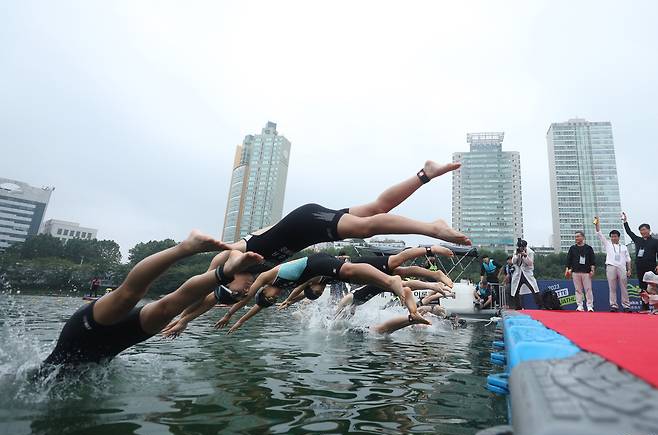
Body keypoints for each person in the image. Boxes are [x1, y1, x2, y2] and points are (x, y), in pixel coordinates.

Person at [198, 161, 470, 306]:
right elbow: (212, 298)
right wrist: (186, 319)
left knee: (365, 228)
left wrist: (203, 284)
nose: (242, 293)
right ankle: (425, 174)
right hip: (311, 226)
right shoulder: (259, 271)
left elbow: (209, 276)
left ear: (226, 278)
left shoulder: (237, 255)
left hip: (306, 221)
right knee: (378, 208)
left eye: (234, 292)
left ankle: (433, 228)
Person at [41, 231, 263, 367]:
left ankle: (210, 265)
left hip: (115, 345)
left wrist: (185, 319)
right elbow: (203, 299)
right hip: (83, 334)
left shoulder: (235, 292)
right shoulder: (40, 381)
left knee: (166, 308)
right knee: (129, 296)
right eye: (248, 280)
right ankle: (188, 251)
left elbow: (197, 300)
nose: (249, 284)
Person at [217, 253, 430, 334]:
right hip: (319, 271)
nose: (273, 297)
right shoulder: (284, 287)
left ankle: (393, 281)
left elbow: (247, 298)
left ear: (263, 290)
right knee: (373, 275)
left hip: (316, 262)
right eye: (273, 300)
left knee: (354, 273)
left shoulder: (267, 277)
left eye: (270, 296)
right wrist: (240, 322)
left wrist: (229, 314)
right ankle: (396, 283)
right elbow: (258, 306)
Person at [594, 216, 632, 312]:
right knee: (612, 287)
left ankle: (626, 306)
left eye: (615, 236)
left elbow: (628, 259)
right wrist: (597, 224)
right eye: (612, 236)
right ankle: (613, 305)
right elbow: (599, 234)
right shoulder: (608, 244)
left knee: (624, 287)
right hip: (611, 267)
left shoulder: (623, 247)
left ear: (618, 237)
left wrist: (629, 269)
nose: (613, 238)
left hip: (622, 267)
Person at [622, 212, 658, 311]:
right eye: (641, 230)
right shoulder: (638, 240)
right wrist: (625, 222)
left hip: (651, 267)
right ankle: (645, 307)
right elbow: (629, 232)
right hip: (640, 267)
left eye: (644, 230)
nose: (642, 232)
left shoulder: (655, 241)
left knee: (653, 288)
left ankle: (656, 307)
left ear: (649, 230)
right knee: (642, 288)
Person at [565, 230, 596, 312]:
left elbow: (592, 260)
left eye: (578, 236)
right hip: (575, 271)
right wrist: (567, 270)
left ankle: (590, 306)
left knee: (588, 289)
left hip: (586, 272)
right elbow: (568, 260)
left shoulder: (588, 248)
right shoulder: (572, 248)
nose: (576, 238)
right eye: (575, 237)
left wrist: (592, 270)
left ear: (583, 237)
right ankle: (580, 305)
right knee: (578, 290)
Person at [511, 239, 543, 310]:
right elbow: (513, 262)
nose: (522, 248)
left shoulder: (530, 252)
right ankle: (518, 307)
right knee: (515, 290)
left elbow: (530, 263)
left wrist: (525, 256)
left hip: (527, 273)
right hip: (518, 274)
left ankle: (540, 306)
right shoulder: (516, 252)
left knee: (534, 289)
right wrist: (516, 255)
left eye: (523, 247)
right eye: (520, 247)